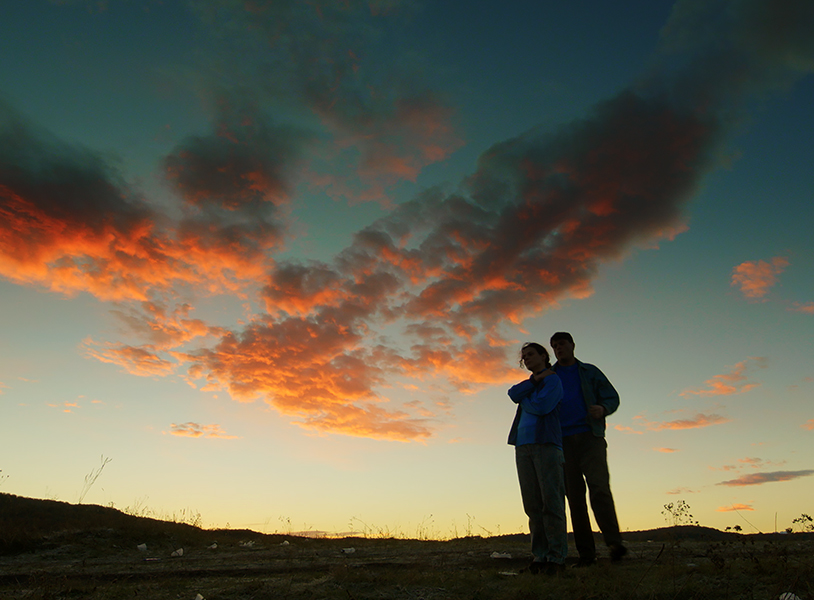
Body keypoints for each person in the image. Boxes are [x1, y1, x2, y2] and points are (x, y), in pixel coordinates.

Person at [549, 331, 626, 566]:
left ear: (572, 345)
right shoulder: (550, 376)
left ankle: (614, 545)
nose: (558, 348)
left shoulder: (589, 372)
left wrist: (602, 408)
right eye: (554, 346)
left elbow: (612, 397)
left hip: (590, 438)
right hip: (562, 443)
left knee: (600, 489)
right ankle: (586, 555)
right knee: (574, 498)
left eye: (562, 344)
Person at [507, 342, 567, 575]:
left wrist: (526, 397)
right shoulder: (534, 382)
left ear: (544, 356)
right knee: (532, 505)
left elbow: (542, 407)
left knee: (551, 503)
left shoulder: (553, 381)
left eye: (531, 355)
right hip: (523, 447)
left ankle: (556, 558)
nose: (527, 359)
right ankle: (539, 558)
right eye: (524, 357)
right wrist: (532, 383)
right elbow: (512, 393)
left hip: (546, 446)